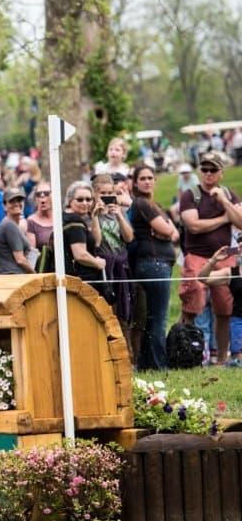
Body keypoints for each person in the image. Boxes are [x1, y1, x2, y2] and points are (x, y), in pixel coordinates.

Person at [178, 152, 242, 365]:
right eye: (204, 169)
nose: (208, 173)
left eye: (213, 169)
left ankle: (221, 359)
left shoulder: (229, 195)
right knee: (192, 304)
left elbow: (241, 223)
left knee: (225, 308)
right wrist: (224, 218)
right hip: (196, 255)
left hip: (226, 256)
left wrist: (224, 201)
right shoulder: (190, 195)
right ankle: (186, 354)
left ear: (221, 173)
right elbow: (193, 226)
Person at [131, 166, 179, 370]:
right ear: (135, 182)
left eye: (150, 177)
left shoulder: (155, 205)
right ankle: (160, 366)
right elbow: (168, 230)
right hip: (153, 264)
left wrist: (166, 232)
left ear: (155, 180)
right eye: (142, 178)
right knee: (158, 318)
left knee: (151, 319)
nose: (147, 181)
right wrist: (166, 232)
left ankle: (146, 365)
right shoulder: (141, 203)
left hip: (158, 264)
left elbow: (175, 233)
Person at [92, 173, 135, 328]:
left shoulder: (120, 211)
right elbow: (96, 242)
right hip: (103, 268)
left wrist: (119, 216)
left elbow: (129, 238)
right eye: (102, 193)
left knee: (123, 313)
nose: (106, 196)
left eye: (110, 192)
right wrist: (95, 217)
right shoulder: (91, 213)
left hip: (121, 265)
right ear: (95, 194)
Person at [62, 181, 109, 302]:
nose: (85, 203)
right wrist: (97, 263)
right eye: (80, 199)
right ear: (70, 200)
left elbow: (96, 242)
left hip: (75, 280)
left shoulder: (68, 217)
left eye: (89, 199)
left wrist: (94, 217)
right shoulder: (74, 221)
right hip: (80, 282)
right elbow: (80, 255)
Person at [0, 188, 35, 274]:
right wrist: (34, 274)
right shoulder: (9, 225)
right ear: (5, 206)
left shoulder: (11, 224)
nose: (16, 204)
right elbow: (20, 260)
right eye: (12, 201)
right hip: (12, 276)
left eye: (19, 200)